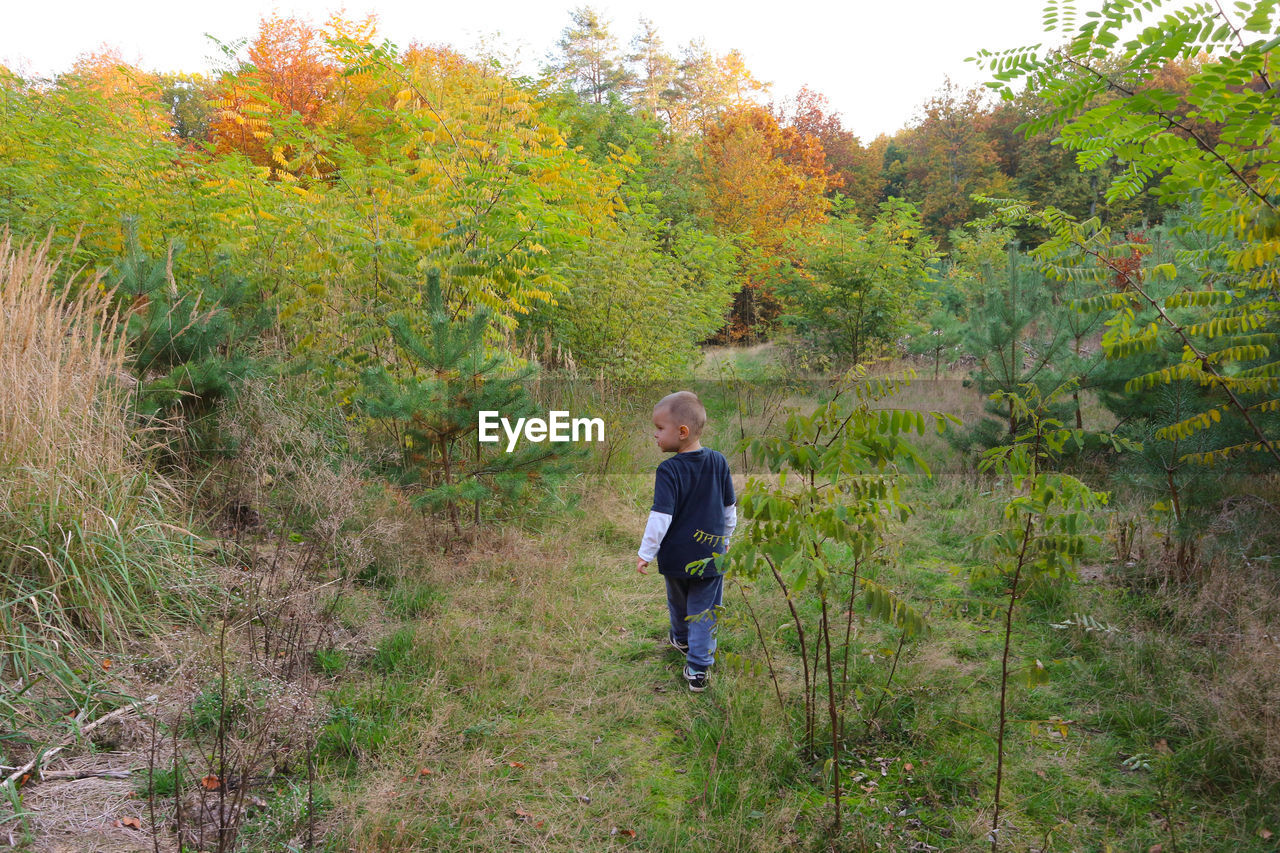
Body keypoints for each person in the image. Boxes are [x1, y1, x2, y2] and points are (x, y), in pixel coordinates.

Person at [636, 391, 736, 692]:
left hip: (676, 557)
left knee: (678, 601)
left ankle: (682, 640)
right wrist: (725, 539)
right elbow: (729, 508)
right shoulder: (719, 461)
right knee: (704, 609)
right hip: (710, 555)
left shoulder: (668, 470)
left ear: (682, 432)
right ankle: (698, 667)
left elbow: (660, 517)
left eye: (660, 428)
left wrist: (646, 552)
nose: (655, 434)